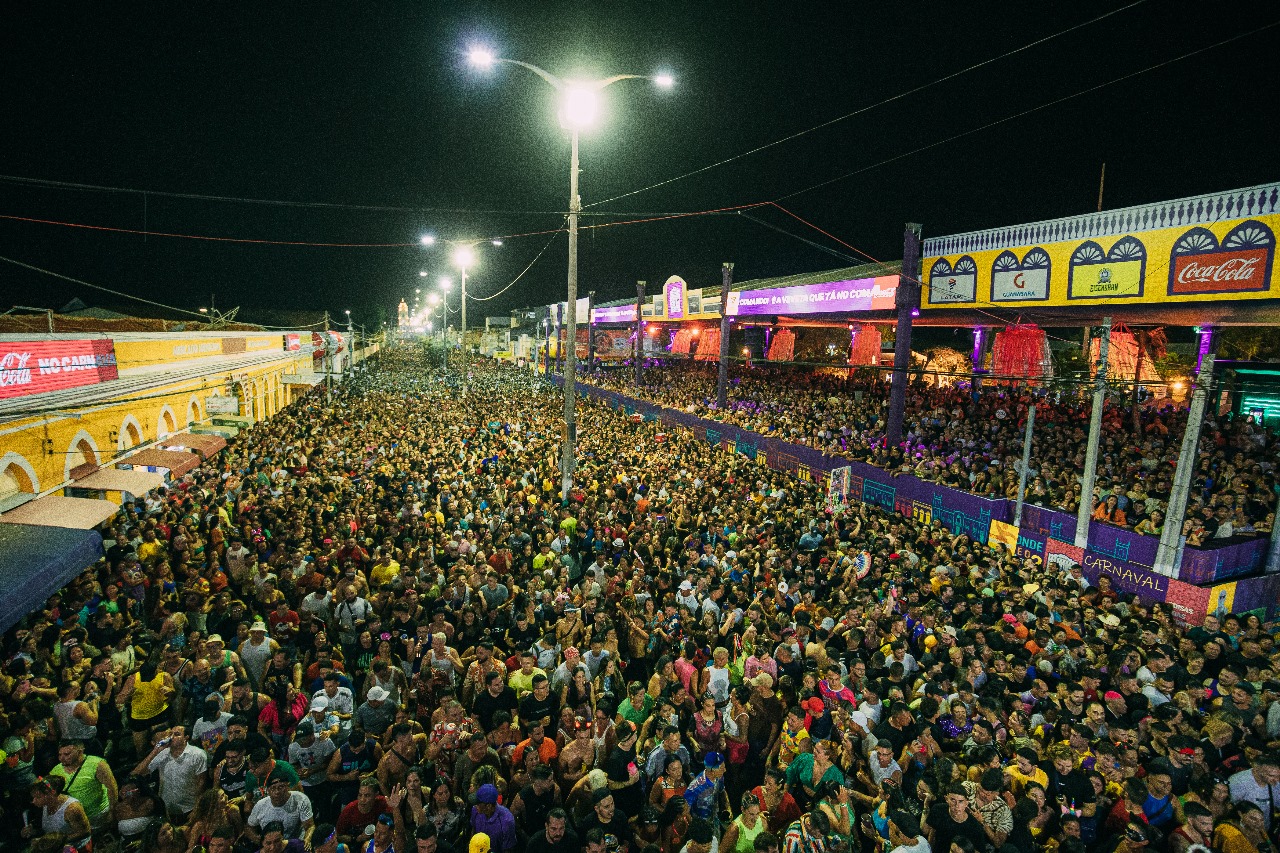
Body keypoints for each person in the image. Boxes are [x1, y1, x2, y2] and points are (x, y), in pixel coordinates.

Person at [135, 724, 209, 822]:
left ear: (186, 737)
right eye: (170, 734)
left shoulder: (197, 754)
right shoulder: (162, 754)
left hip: (189, 809)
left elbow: (201, 783)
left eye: (177, 734)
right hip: (167, 811)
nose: (171, 737)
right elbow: (137, 773)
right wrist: (155, 751)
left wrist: (196, 809)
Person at [49, 738, 119, 832]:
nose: (61, 758)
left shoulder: (97, 764)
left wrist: (112, 811)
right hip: (74, 817)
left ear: (80, 752)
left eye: (67, 754)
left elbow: (112, 787)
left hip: (97, 815)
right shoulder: (56, 770)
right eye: (60, 754)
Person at [246, 770, 316, 844]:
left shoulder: (300, 799)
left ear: (288, 786)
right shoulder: (260, 805)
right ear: (267, 790)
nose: (277, 792)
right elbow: (249, 828)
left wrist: (306, 841)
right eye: (273, 788)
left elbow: (310, 826)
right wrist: (259, 841)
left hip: (294, 843)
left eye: (281, 787)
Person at [468, 783, 516, 853]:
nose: (475, 806)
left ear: (488, 806)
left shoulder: (507, 820)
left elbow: (508, 850)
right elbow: (473, 831)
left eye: (478, 804)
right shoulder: (475, 810)